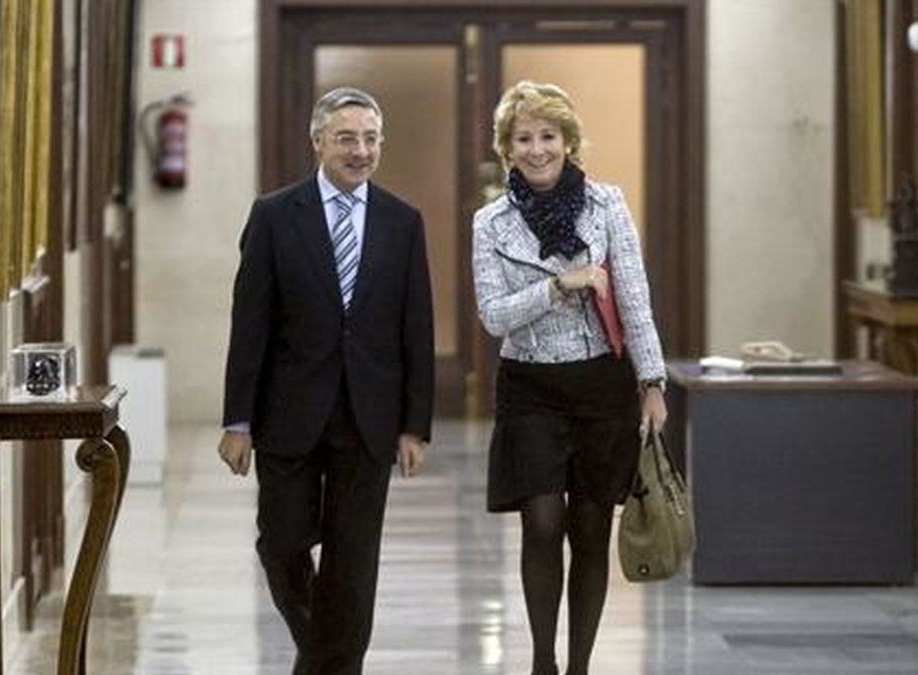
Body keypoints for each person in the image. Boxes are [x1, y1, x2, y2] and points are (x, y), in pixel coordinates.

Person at [218, 86, 434, 675]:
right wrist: (237, 420)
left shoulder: (402, 222)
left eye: (370, 139)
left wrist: (415, 425)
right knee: (281, 542)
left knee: (353, 558)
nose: (360, 151)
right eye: (346, 139)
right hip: (287, 413)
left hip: (369, 417)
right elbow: (250, 323)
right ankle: (325, 656)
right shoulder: (273, 216)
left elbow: (417, 328)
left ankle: (334, 667)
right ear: (318, 143)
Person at [472, 81, 668, 675]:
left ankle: (578, 665)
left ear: (569, 142)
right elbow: (492, 314)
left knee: (588, 530)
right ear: (508, 148)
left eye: (548, 136)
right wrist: (560, 284)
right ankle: (541, 662)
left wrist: (652, 381)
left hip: (601, 388)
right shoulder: (489, 222)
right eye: (524, 139)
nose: (537, 150)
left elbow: (634, 297)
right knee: (542, 522)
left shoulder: (606, 205)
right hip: (529, 386)